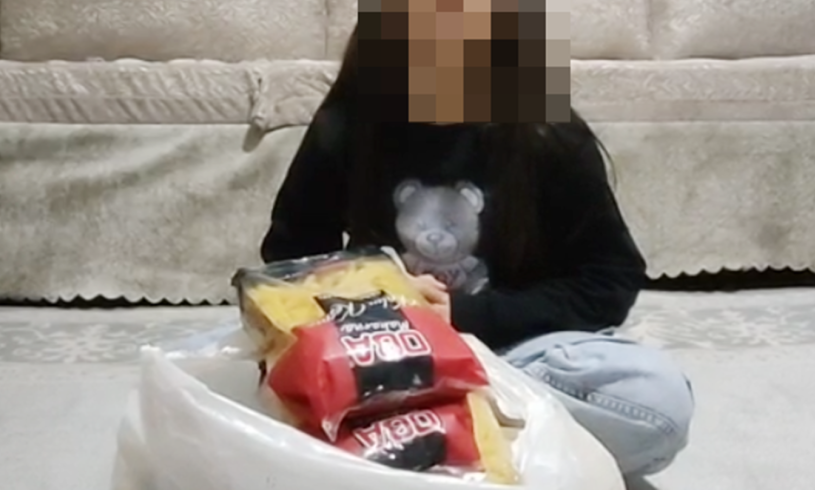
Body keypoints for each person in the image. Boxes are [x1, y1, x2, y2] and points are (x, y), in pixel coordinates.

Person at [259, 25, 694, 478]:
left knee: (656, 404)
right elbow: (290, 257)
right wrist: (383, 297)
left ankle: (429, 447)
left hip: (517, 358)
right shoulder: (352, 120)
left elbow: (609, 280)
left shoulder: (549, 132)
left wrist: (465, 314)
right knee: (261, 398)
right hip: (385, 357)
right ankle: (469, 451)